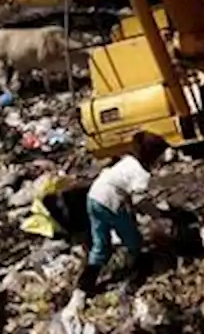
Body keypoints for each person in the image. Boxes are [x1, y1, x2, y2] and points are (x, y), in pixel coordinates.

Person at [68, 130, 170, 304]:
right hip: (110, 203)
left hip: (94, 197)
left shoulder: (128, 161)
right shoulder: (142, 175)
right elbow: (139, 200)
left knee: (100, 246)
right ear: (153, 156)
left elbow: (126, 191)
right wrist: (158, 215)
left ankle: (82, 290)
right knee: (134, 241)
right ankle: (135, 279)